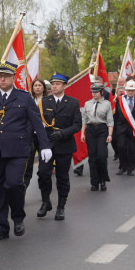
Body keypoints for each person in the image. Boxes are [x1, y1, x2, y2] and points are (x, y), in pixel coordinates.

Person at [0, 62, 51, 240]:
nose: (2, 79)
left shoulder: (24, 97)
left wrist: (45, 145)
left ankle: (18, 217)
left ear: (13, 78)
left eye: (6, 76)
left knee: (13, 184)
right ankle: (1, 226)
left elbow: (37, 123)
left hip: (17, 150)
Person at [36, 73, 82, 220]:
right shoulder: (44, 101)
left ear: (64, 86)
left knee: (62, 177)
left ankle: (61, 206)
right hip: (47, 143)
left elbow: (77, 125)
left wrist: (62, 134)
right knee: (43, 173)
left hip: (64, 143)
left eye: (57, 84)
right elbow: (37, 122)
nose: (54, 86)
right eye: (52, 84)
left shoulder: (73, 102)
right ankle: (45, 201)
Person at [80, 82, 113, 191]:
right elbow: (84, 119)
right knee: (92, 157)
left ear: (101, 92)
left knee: (102, 156)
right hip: (90, 130)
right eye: (92, 92)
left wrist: (109, 134)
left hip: (102, 130)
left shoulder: (107, 104)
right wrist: (82, 133)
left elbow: (110, 121)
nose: (94, 94)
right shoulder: (87, 104)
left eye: (96, 92)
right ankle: (94, 182)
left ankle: (103, 180)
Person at [113, 80, 135, 176]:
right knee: (121, 147)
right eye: (129, 90)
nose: (130, 92)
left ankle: (130, 168)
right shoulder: (120, 99)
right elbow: (117, 114)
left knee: (133, 149)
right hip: (121, 127)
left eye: (132, 90)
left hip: (133, 127)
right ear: (125, 90)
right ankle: (122, 167)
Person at [22, 78, 47, 197]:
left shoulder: (48, 101)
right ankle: (22, 193)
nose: (37, 87)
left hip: (43, 136)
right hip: (30, 136)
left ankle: (44, 194)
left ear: (43, 88)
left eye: (39, 85)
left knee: (43, 170)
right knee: (27, 166)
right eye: (35, 85)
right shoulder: (28, 100)